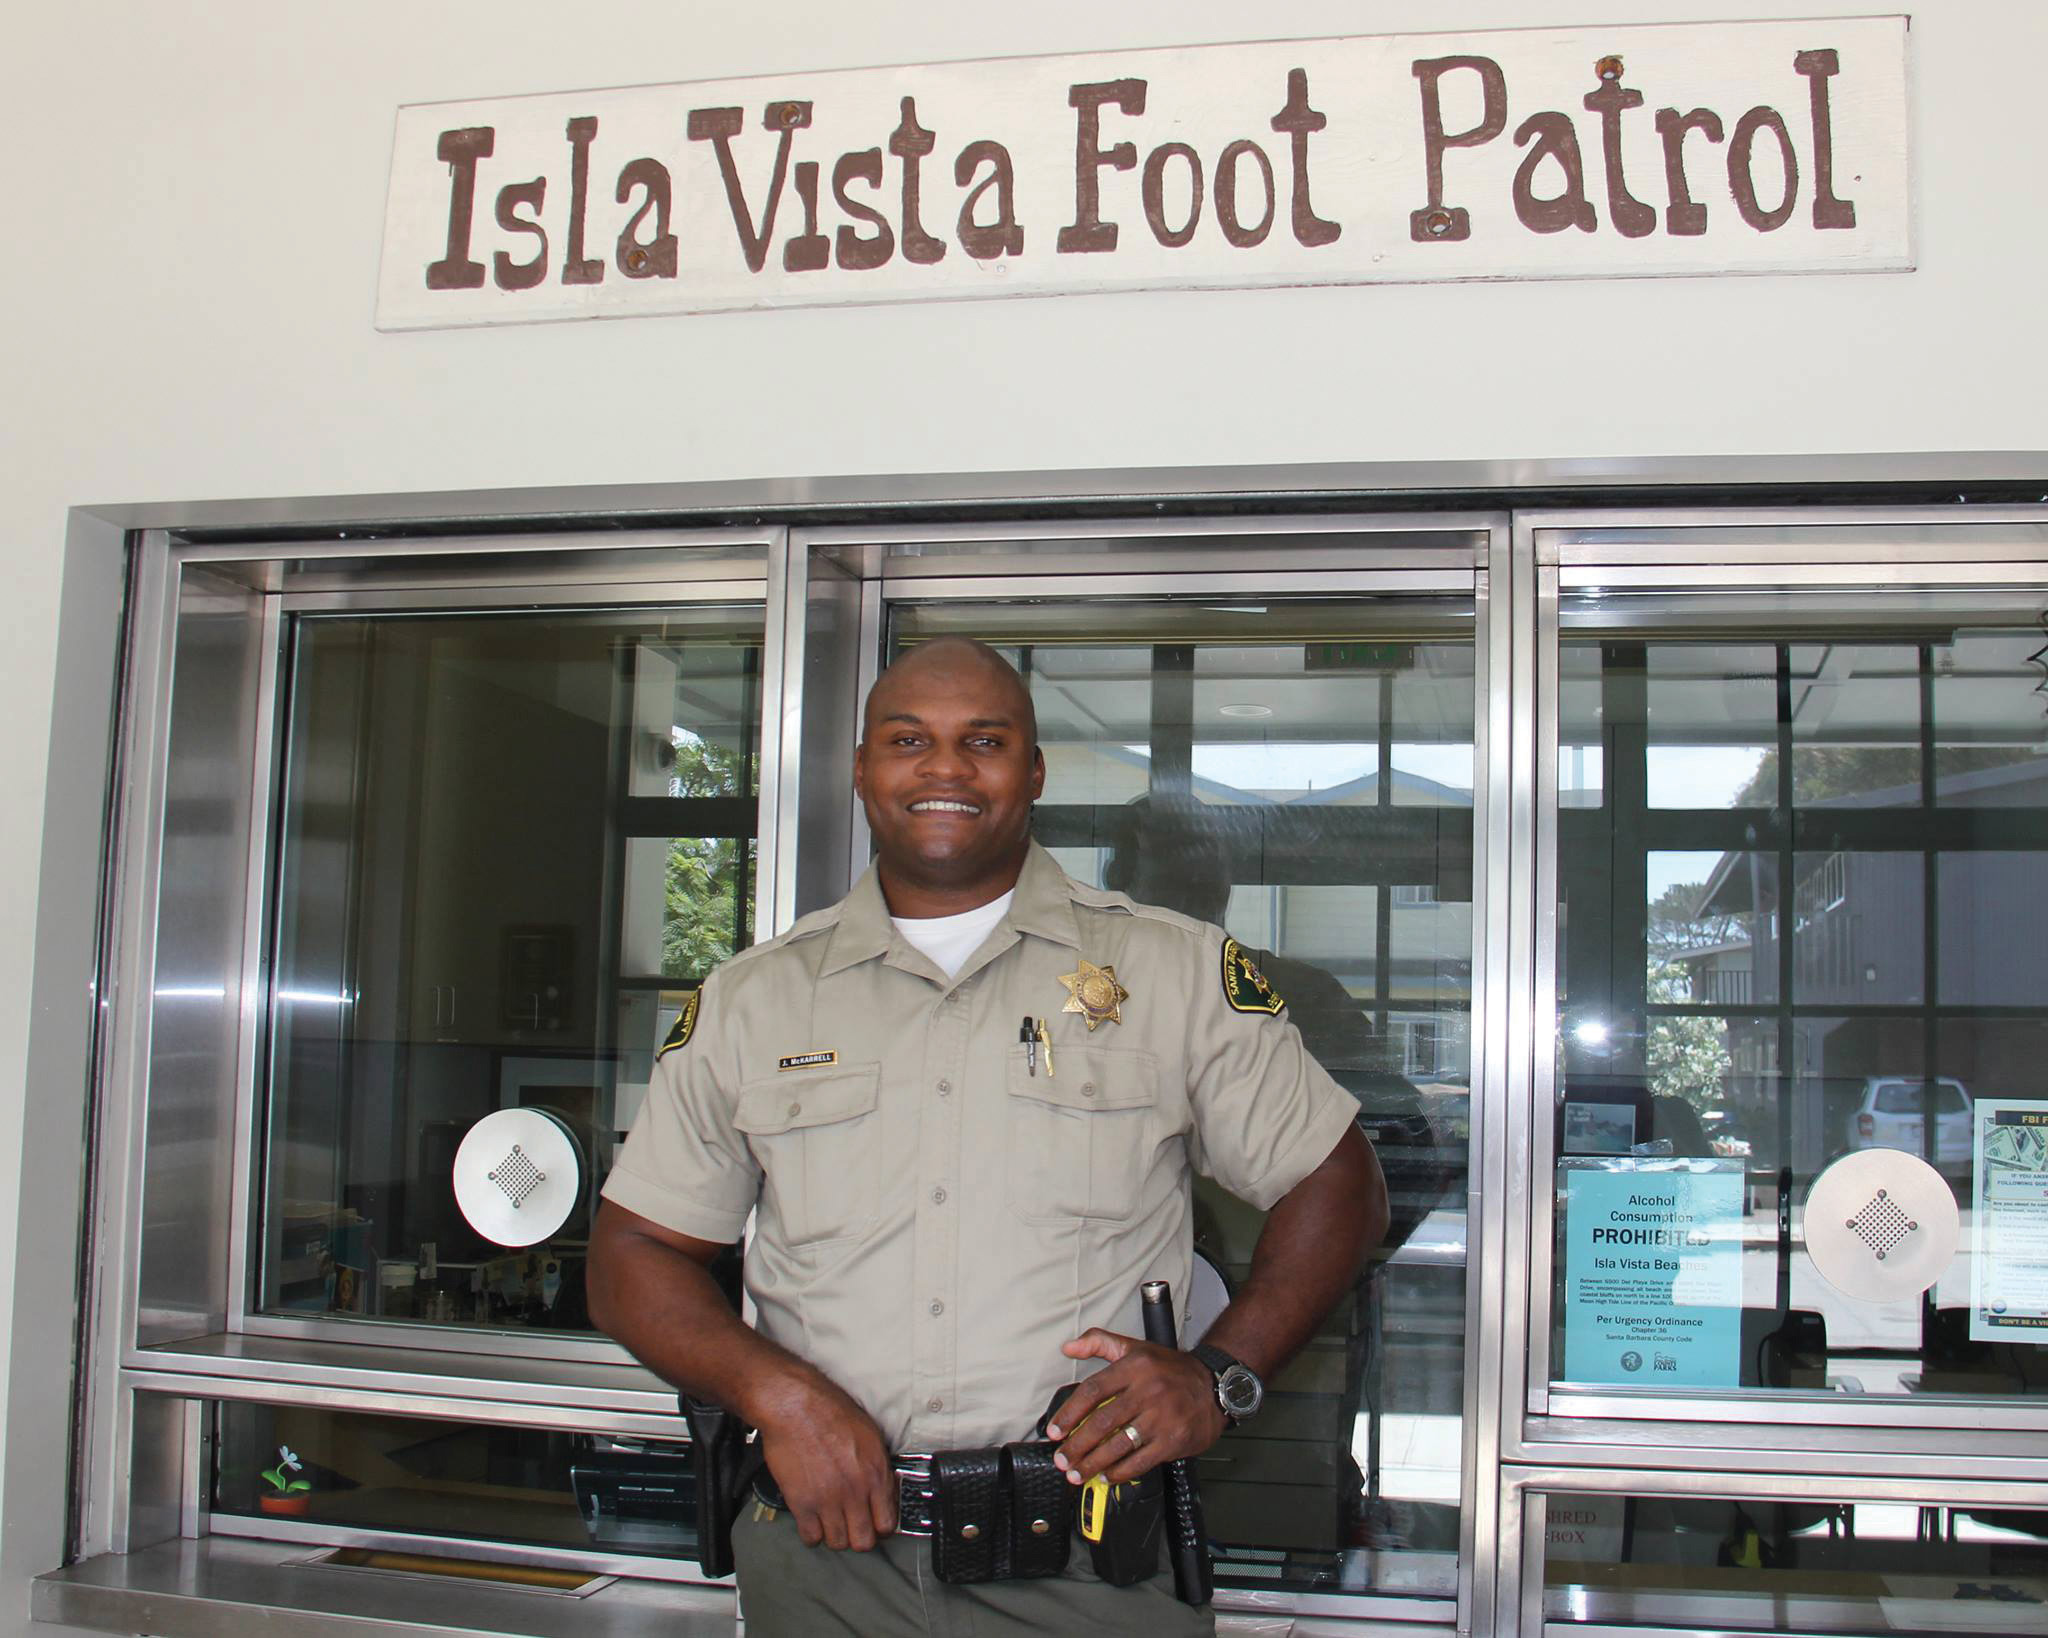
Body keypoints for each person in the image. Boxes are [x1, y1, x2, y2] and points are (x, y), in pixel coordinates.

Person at [589, 637, 1388, 1635]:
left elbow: (1338, 1184)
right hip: (823, 1559)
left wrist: (1219, 1374)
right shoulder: (755, 1000)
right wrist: (776, 1394)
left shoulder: (1171, 974)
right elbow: (632, 1253)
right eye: (907, 740)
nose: (945, 768)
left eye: (984, 740)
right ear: (861, 769)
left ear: (1034, 771)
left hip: (1087, 1560)